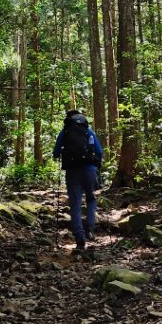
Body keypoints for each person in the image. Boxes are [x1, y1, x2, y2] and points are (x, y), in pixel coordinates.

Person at [53, 108, 103, 253]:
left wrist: (62, 152)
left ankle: (79, 238)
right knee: (91, 199)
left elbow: (56, 153)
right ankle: (90, 228)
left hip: (72, 172)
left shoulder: (65, 132)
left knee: (75, 205)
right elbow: (99, 152)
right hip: (89, 170)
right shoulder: (88, 131)